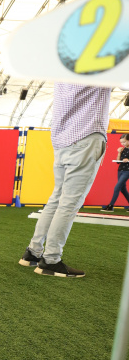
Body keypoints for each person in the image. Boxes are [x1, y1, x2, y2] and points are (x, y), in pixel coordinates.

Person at [19, 82, 110, 278]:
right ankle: (51, 260)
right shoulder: (102, 65)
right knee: (68, 203)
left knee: (57, 198)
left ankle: (33, 252)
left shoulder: (63, 68)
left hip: (62, 140)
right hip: (86, 137)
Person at [101, 133, 129, 212]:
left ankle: (111, 206)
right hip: (120, 170)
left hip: (127, 171)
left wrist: (128, 160)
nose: (123, 144)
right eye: (121, 142)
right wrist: (119, 152)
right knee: (123, 189)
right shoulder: (123, 149)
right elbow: (118, 161)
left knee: (117, 187)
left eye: (124, 142)